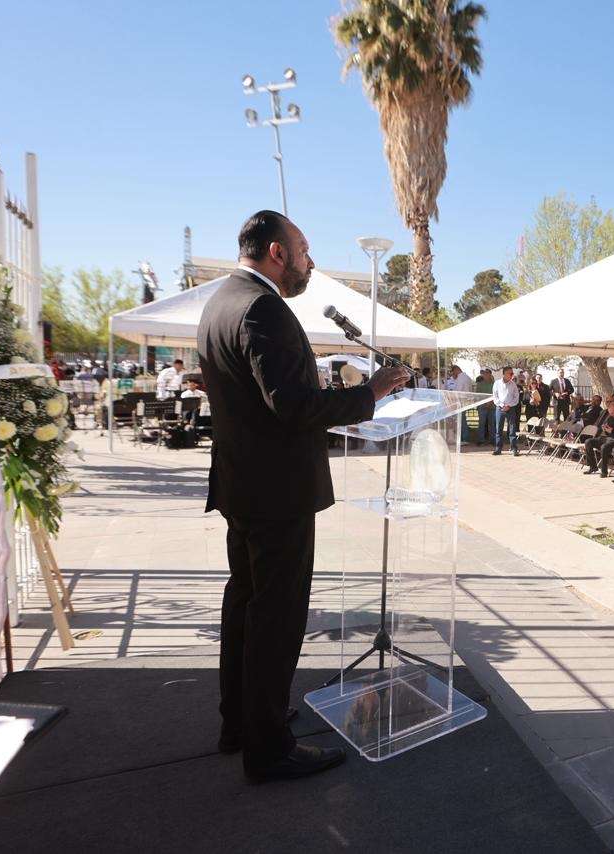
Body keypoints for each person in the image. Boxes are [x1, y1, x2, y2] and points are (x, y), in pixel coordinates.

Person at [198, 210, 411, 781]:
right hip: (277, 493)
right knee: (276, 616)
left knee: (245, 605)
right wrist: (370, 393)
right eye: (304, 249)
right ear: (277, 252)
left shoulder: (220, 303)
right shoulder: (263, 309)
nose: (310, 262)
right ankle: (269, 749)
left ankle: (242, 721)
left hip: (244, 486)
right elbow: (292, 407)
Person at [583, 399, 614, 475]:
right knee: (588, 442)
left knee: (604, 447)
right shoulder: (611, 417)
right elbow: (608, 429)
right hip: (608, 438)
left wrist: (612, 431)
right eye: (610, 413)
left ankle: (604, 470)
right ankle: (593, 466)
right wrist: (605, 430)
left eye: (613, 412)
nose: (611, 414)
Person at [491, 366, 521, 455]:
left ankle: (514, 448)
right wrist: (502, 405)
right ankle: (498, 448)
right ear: (504, 374)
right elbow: (495, 396)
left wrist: (509, 405)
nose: (512, 375)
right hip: (499, 408)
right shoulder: (497, 383)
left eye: (512, 373)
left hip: (510, 408)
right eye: (510, 373)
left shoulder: (513, 384)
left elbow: (516, 398)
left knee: (512, 429)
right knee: (498, 429)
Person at [474, 368, 494, 444]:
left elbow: (496, 394)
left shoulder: (495, 384)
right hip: (482, 406)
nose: (486, 375)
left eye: (487, 373)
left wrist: (490, 402)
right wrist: (485, 403)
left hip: (492, 406)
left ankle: (493, 440)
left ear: (490, 374)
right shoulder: (479, 384)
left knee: (492, 424)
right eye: (484, 373)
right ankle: (481, 440)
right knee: (481, 424)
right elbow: (478, 395)